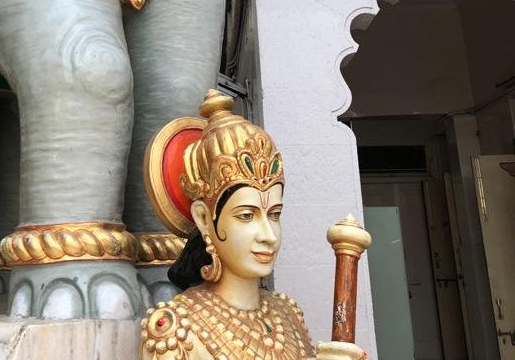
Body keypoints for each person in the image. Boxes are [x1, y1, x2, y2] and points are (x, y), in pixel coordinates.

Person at [141, 90, 367, 360]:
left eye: (274, 214)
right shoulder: (175, 329)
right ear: (204, 218)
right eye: (246, 216)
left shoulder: (288, 313)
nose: (268, 235)